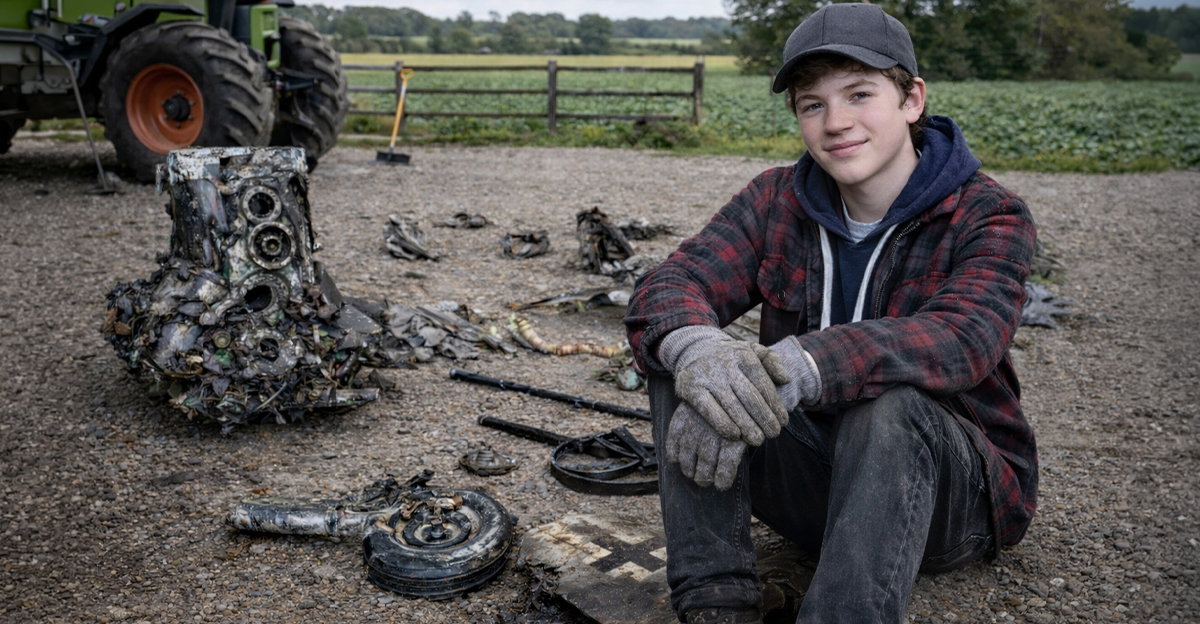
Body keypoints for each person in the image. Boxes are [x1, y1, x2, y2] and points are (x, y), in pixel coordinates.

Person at [623, 4, 1039, 623]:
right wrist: (700, 353)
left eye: (860, 94)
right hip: (820, 481)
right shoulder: (774, 199)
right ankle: (717, 601)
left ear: (912, 100)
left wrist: (802, 365)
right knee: (682, 350)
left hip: (947, 502)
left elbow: (962, 336)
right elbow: (673, 282)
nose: (836, 122)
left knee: (892, 402)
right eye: (812, 104)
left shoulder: (989, 214)